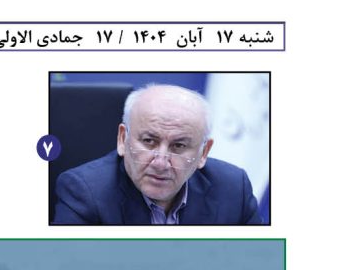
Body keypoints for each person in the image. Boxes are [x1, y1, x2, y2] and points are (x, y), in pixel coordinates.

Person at [51, 84, 265, 226]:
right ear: (122, 139)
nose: (161, 162)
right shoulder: (85, 192)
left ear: (203, 153)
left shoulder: (233, 189)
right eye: (149, 141)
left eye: (178, 146)